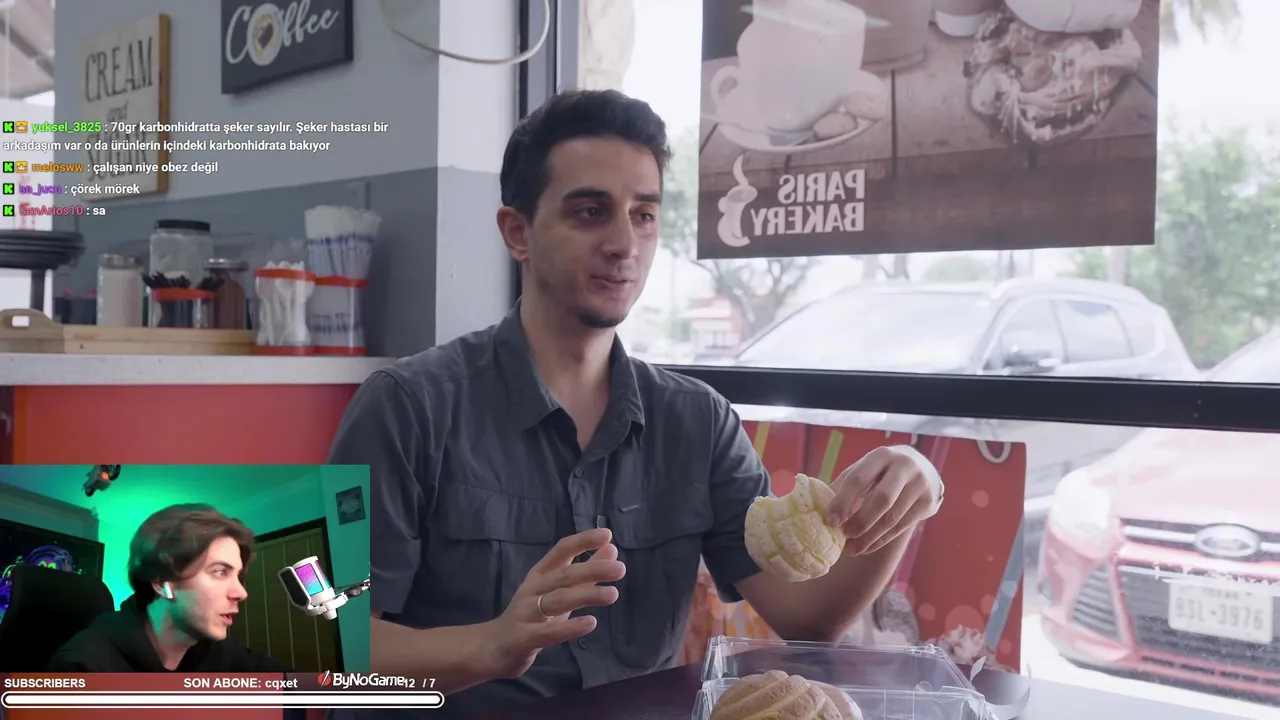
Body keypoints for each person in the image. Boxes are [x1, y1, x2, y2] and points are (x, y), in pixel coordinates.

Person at [328, 89, 944, 718]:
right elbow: (309, 639)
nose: (625, 242)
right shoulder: (401, 406)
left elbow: (809, 620)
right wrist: (490, 646)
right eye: (591, 212)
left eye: (644, 215)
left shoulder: (699, 421)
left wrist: (907, 494)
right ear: (517, 232)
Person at [48, 503, 294, 673]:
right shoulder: (83, 667)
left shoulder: (217, 650)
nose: (241, 593)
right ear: (162, 582)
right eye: (220, 572)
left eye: (237, 575)